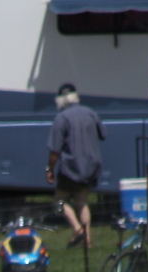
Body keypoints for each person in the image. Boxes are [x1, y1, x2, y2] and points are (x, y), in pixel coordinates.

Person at [46, 83, 104, 249]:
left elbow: (54, 150)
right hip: (91, 166)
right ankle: (87, 241)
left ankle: (78, 230)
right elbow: (103, 134)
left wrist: (49, 169)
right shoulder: (90, 113)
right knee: (82, 202)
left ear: (61, 100)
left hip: (71, 167)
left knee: (59, 202)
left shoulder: (62, 118)